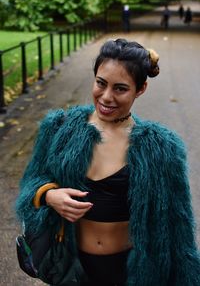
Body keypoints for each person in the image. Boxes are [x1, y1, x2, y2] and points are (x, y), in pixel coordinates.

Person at [16, 39, 200, 286]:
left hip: (130, 272)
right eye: (100, 83)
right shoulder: (59, 128)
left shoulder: (161, 148)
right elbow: (31, 183)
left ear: (141, 88)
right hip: (73, 269)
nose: (106, 97)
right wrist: (49, 195)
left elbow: (179, 228)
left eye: (120, 88)